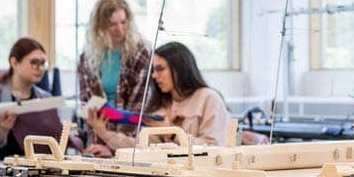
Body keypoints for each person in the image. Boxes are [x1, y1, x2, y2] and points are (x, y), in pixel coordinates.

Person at [87, 41, 267, 149]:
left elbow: (215, 148)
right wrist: (104, 133)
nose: (154, 76)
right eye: (153, 70)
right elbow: (141, 148)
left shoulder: (208, 99)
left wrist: (173, 133)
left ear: (179, 68)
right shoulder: (163, 107)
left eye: (160, 69)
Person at [0, 38, 61, 158]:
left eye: (43, 63)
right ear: (14, 63)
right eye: (34, 62)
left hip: (37, 169)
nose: (40, 68)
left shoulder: (46, 99)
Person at [79, 0, 151, 157]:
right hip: (98, 137)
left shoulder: (140, 54)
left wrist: (114, 148)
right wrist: (97, 144)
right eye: (112, 24)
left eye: (123, 22)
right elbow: (88, 106)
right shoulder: (87, 58)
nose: (119, 29)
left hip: (129, 142)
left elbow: (137, 110)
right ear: (100, 27)